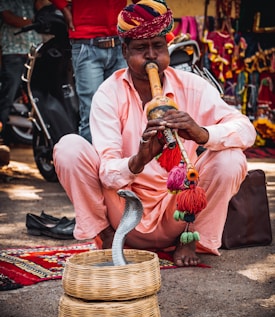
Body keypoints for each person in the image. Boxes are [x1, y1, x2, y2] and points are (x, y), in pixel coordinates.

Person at [53, 0, 256, 267]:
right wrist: (138, 160)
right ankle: (108, 237)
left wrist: (201, 133)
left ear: (167, 47)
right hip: (124, 213)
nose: (151, 56)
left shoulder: (192, 86)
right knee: (69, 147)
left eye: (158, 46)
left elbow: (246, 131)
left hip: (180, 212)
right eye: (141, 48)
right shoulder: (108, 93)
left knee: (230, 159)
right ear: (125, 52)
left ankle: (190, 240)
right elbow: (107, 172)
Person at [49, 0, 130, 143]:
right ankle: (91, 164)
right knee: (92, 112)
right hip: (87, 44)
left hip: (120, 43)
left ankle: (119, 162)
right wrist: (63, 7)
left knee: (123, 110)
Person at [0, 0, 41, 145]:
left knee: (36, 94)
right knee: (8, 94)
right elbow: (8, 17)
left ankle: (42, 135)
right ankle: (2, 135)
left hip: (34, 51)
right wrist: (33, 21)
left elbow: (42, 8)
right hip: (14, 52)